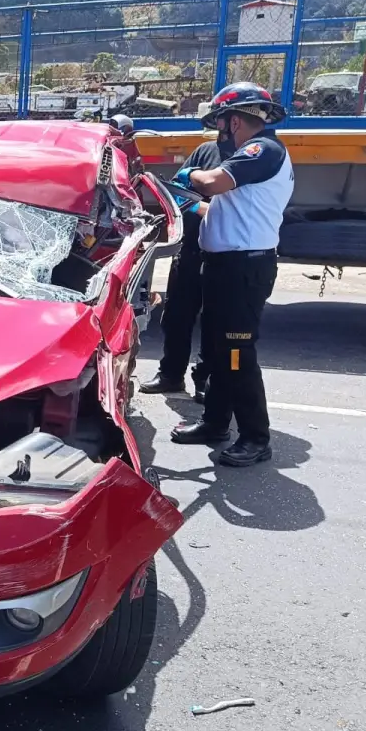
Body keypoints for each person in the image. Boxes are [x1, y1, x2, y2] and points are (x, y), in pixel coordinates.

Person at [169, 82, 293, 468]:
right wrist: (189, 209)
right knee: (222, 349)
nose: (220, 132)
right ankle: (215, 423)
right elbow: (223, 209)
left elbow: (211, 183)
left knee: (238, 353)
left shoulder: (261, 149)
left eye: (222, 123)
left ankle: (256, 437)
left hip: (243, 269)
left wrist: (190, 176)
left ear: (234, 120)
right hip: (226, 267)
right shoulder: (250, 159)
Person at [139, 136, 234, 403]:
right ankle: (171, 374)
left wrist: (211, 210)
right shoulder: (206, 152)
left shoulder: (249, 158)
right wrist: (194, 206)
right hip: (191, 248)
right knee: (176, 316)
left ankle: (205, 380)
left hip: (225, 254)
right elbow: (177, 190)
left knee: (214, 321)